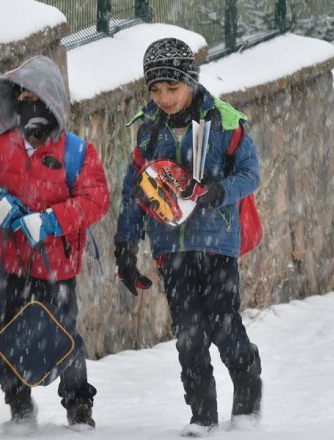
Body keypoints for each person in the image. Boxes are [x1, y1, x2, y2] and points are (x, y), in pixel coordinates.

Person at [113, 38, 263, 437]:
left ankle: (247, 385)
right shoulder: (147, 131)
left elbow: (250, 174)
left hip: (216, 241)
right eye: (155, 90)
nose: (164, 98)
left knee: (222, 322)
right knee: (188, 333)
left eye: (172, 88)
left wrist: (218, 192)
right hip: (170, 247)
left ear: (191, 81)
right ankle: (202, 417)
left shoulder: (225, 123)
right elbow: (135, 192)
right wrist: (125, 246)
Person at [0, 55, 109, 430]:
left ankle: (77, 405)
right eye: (20, 97)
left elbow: (96, 199)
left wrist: (52, 221)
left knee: (64, 334)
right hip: (8, 261)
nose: (27, 105)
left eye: (34, 97)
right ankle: (18, 400)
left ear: (51, 101)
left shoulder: (76, 152)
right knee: (1, 331)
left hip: (58, 265)